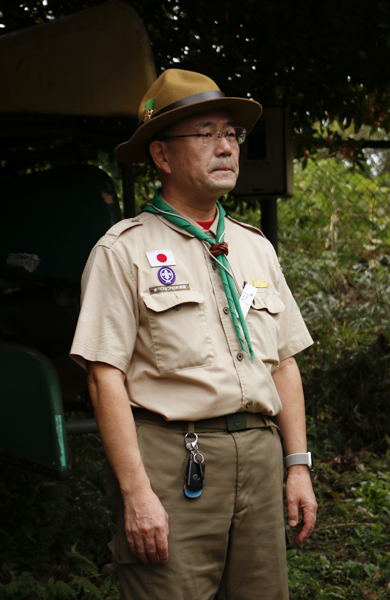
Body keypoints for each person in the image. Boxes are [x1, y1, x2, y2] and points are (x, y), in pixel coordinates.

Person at [70, 68, 317, 600]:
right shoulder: (124, 250)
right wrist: (137, 492)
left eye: (230, 134)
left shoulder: (255, 248)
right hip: (171, 459)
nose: (225, 147)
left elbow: (284, 365)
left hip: (259, 454)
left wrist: (298, 466)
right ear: (161, 156)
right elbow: (103, 377)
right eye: (205, 134)